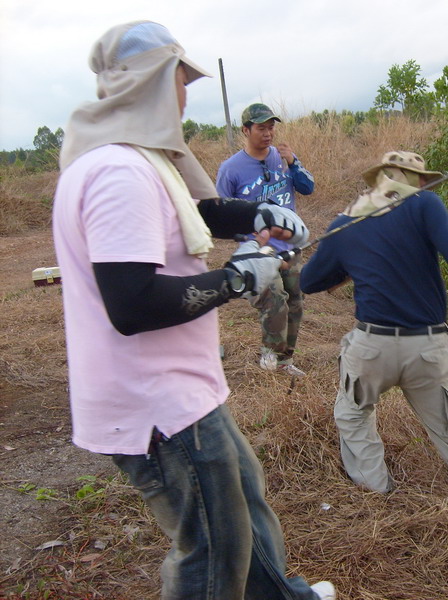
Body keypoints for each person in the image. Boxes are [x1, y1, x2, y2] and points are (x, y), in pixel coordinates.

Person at [52, 21, 335, 600]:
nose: (185, 96)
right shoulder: (119, 173)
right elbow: (131, 304)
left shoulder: (140, 164)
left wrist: (256, 214)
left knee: (245, 500)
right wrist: (235, 278)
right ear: (157, 83)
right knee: (213, 547)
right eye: (181, 81)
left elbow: (198, 213)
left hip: (183, 387)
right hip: (155, 400)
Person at [299, 151, 448, 527]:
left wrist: (346, 267)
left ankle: (377, 501)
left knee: (353, 416)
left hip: (371, 347)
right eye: (422, 178)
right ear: (415, 179)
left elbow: (309, 282)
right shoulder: (425, 202)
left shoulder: (346, 220)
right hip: (427, 350)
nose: (425, 185)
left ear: (380, 179)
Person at [216, 103, 314, 377]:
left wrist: (293, 163)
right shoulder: (231, 169)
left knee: (295, 301)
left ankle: (285, 360)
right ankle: (270, 352)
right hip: (258, 250)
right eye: (261, 128)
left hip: (292, 247)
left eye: (271, 127)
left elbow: (308, 187)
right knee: (275, 300)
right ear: (246, 130)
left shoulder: (283, 159)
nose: (268, 133)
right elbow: (220, 212)